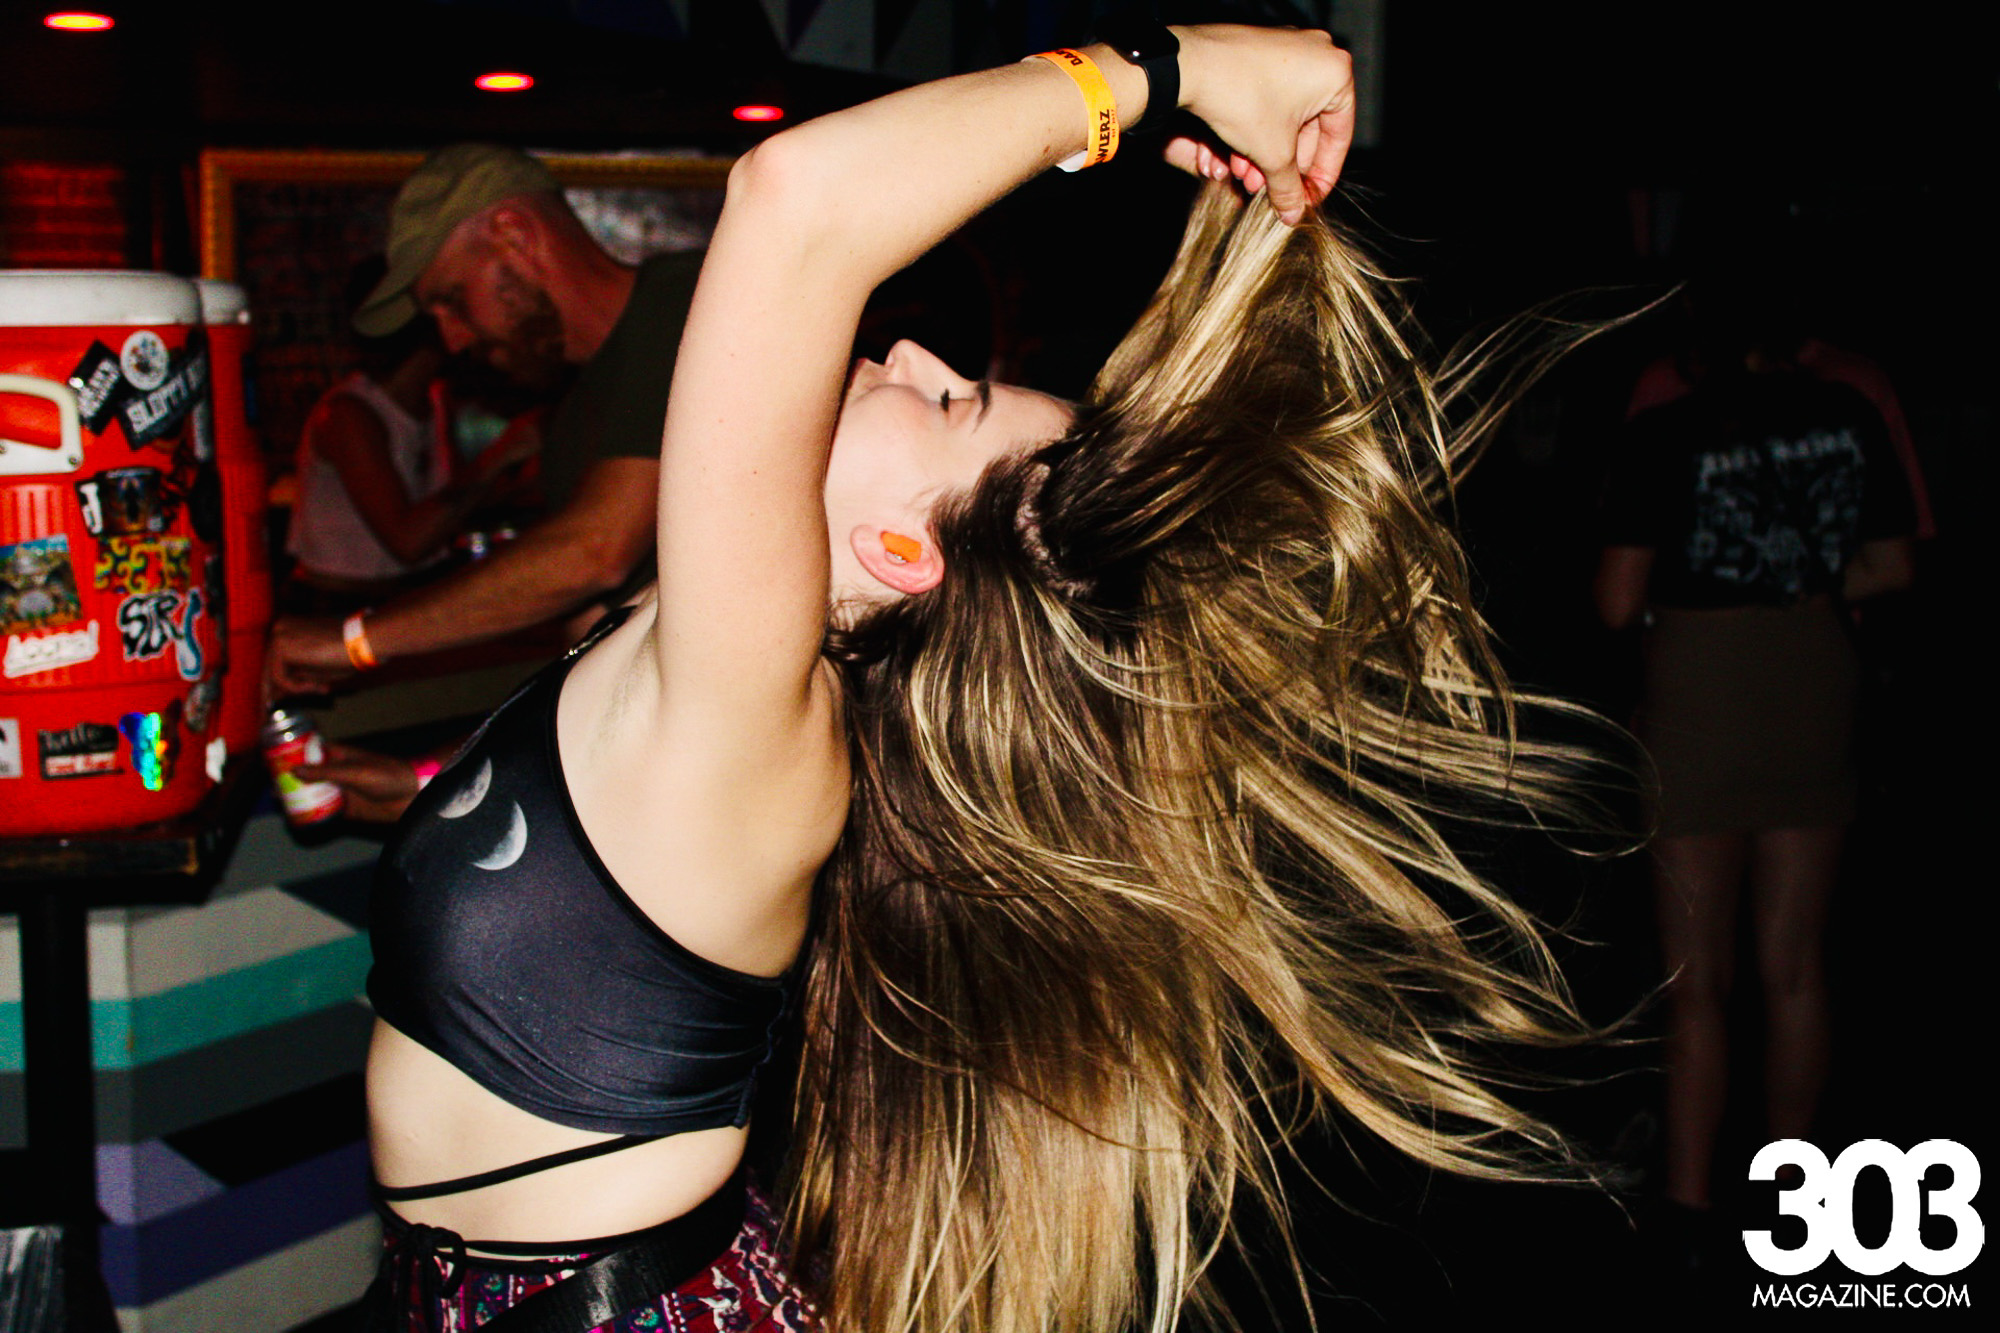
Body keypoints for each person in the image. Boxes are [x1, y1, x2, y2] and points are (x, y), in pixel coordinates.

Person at [366, 25, 1612, 1333]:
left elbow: (797, 203)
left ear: (901, 553)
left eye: (949, 401)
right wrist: (414, 788)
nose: (912, 356)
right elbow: (587, 882)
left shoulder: (751, 717)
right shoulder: (694, 660)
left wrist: (1174, 71)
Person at [1595, 280, 1916, 1251]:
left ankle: (1690, 1203)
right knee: (1796, 966)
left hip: (1700, 680)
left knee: (1696, 980)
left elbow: (1616, 601)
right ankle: (1796, 1196)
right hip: (1812, 667)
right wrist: (1793, 576)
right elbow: (1893, 566)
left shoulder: (1665, 429)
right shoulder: (1847, 414)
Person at [267, 143, 701, 696]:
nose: (451, 340)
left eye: (454, 300)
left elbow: (595, 552)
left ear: (514, 235)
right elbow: (591, 628)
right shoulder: (573, 409)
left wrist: (356, 640)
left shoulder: (684, 303)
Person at [285, 258, 528, 609]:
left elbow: (448, 507)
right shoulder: (349, 415)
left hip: (409, 594)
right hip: (338, 606)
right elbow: (407, 541)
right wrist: (502, 454)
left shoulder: (435, 399)